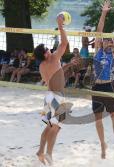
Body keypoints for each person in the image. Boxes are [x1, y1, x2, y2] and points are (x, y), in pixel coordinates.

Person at [34, 15, 76, 165]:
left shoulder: (42, 65)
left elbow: (55, 74)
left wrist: (68, 65)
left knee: (53, 127)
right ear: (45, 54)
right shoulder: (53, 58)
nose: (50, 49)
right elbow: (65, 43)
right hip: (56, 97)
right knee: (55, 128)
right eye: (47, 49)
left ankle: (41, 151)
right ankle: (48, 154)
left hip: (50, 96)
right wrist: (60, 25)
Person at [92, 0, 114, 159]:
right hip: (96, 88)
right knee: (97, 118)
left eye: (109, 40)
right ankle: (103, 145)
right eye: (105, 39)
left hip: (108, 87)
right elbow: (99, 29)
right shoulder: (97, 50)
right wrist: (104, 12)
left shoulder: (112, 53)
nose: (107, 41)